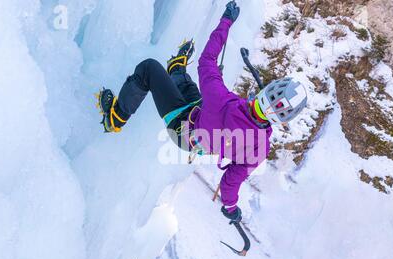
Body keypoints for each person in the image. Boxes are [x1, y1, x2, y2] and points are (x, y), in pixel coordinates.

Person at [97, 1, 308, 223]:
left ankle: (116, 118)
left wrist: (226, 21)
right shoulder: (260, 147)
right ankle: (177, 70)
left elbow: (207, 60)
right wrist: (230, 207)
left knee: (149, 69)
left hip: (181, 128)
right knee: (195, 96)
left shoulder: (221, 97)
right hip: (200, 134)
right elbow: (231, 181)